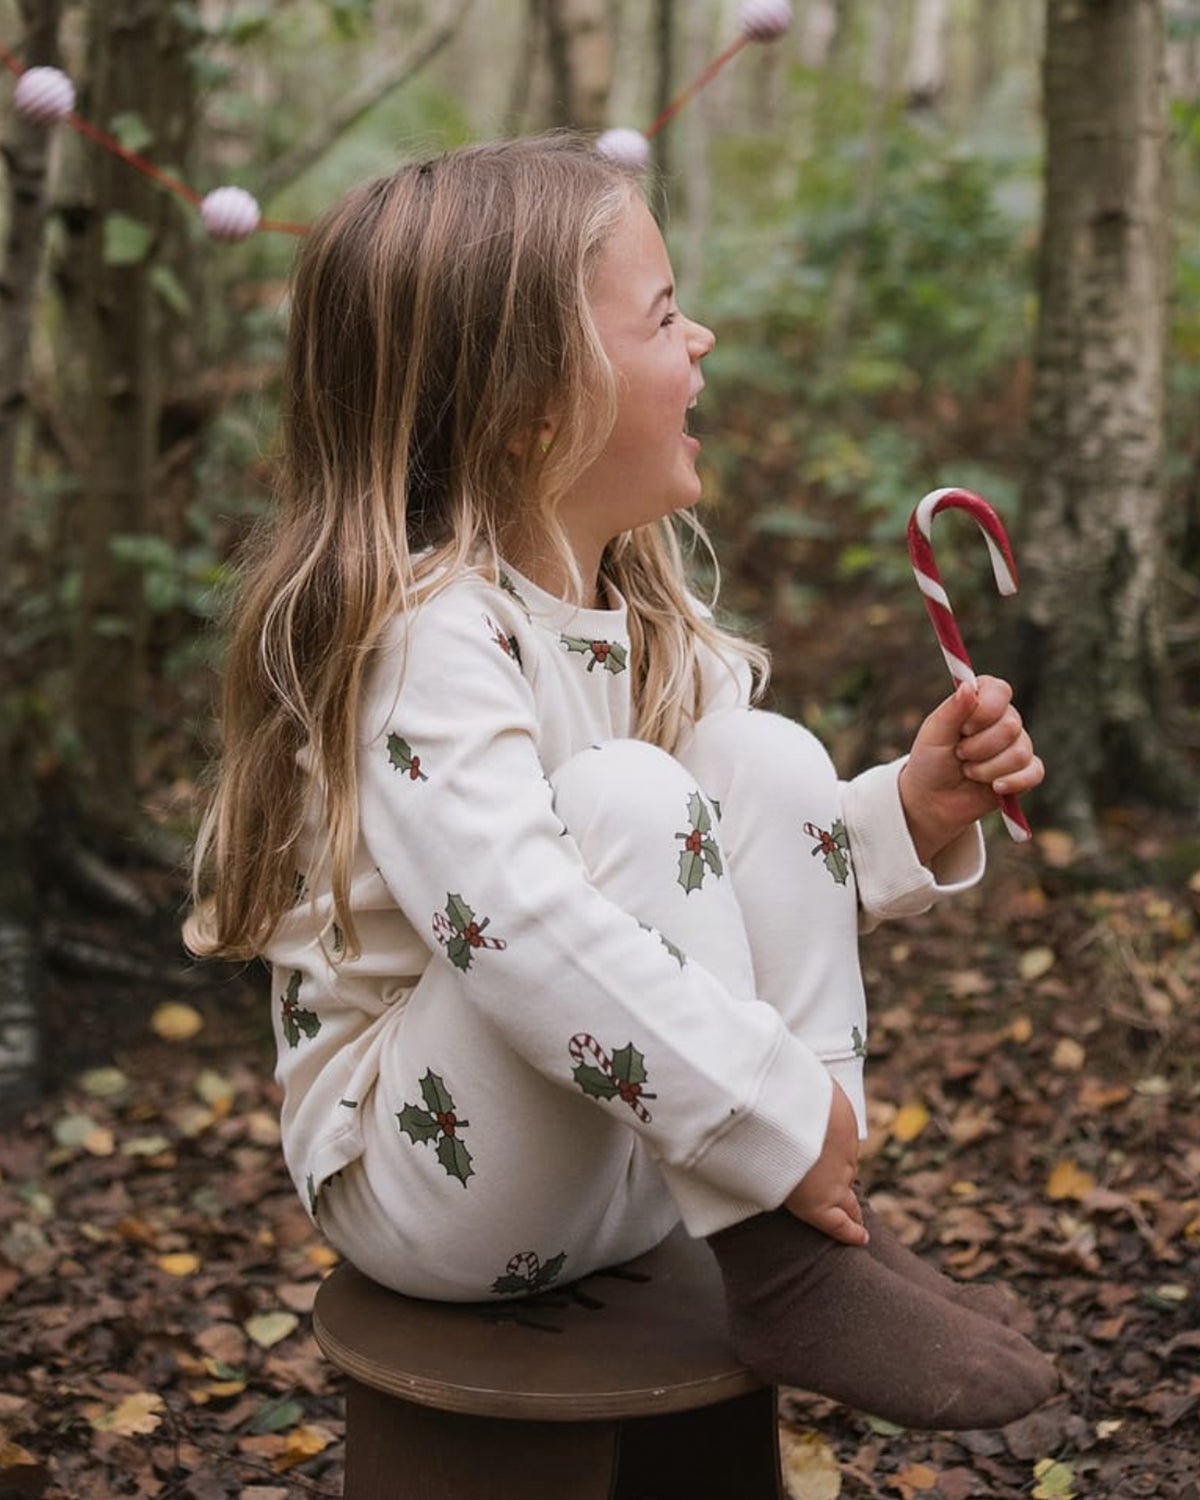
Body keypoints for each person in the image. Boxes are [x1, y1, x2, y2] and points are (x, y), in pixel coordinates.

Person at [186, 135, 1058, 1431]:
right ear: (538, 406)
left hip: (644, 1156)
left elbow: (737, 868)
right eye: (661, 319)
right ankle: (786, 1253)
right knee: (632, 802)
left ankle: (813, 1234)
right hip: (433, 1189)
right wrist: (759, 1107)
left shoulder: (643, 611)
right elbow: (521, 925)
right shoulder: (426, 639)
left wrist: (905, 816)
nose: (699, 339)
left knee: (762, 760)